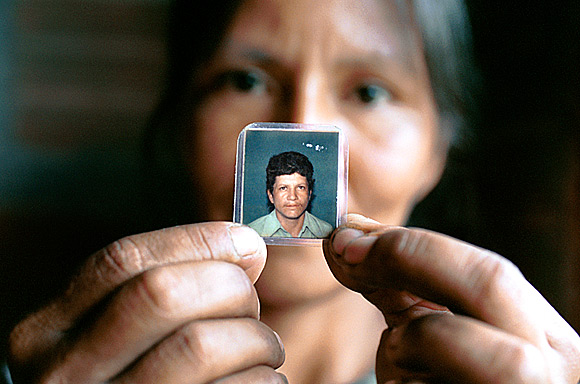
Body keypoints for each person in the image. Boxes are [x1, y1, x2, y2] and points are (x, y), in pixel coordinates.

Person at [3, 0, 580, 383]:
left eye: (370, 92)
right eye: (245, 80)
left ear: (437, 150)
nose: (302, 133)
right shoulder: (58, 368)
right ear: (183, 125)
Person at [248, 151, 334, 238]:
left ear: (309, 194)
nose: (292, 197)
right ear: (271, 196)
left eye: (300, 187)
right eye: (283, 188)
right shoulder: (252, 234)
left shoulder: (326, 233)